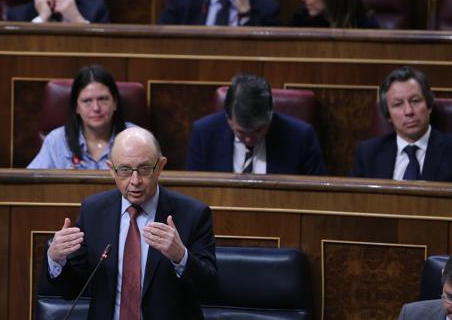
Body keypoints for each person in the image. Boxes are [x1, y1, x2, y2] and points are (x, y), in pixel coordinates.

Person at [44, 127, 217, 319]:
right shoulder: (93, 211)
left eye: (144, 169)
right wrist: (56, 259)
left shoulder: (192, 214)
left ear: (160, 166)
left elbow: (209, 288)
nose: (135, 181)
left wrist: (180, 256)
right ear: (111, 169)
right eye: (125, 170)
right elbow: (71, 290)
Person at [186, 73, 327, 175]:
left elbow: (317, 197)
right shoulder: (204, 134)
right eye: (241, 133)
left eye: (258, 131)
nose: (249, 139)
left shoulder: (301, 138)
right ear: (228, 118)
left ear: (271, 113)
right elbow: (194, 195)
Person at [350, 66, 452, 181]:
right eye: (398, 104)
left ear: (428, 106)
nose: (408, 111)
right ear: (388, 115)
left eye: (415, 101)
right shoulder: (368, 154)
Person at [27, 65, 134, 169]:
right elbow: (31, 184)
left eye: (102, 99)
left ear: (114, 103)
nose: (96, 108)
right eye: (87, 101)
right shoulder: (56, 141)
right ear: (77, 107)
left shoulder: (137, 139)